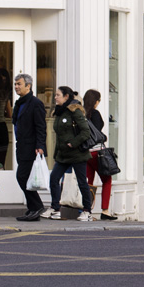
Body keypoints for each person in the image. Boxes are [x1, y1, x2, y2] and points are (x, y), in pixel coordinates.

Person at [47, 86, 94, 221]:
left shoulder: (75, 111)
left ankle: (87, 211)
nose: (55, 97)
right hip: (63, 155)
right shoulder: (59, 112)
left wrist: (73, 143)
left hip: (77, 154)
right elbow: (60, 136)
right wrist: (56, 155)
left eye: (58, 95)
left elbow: (86, 132)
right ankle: (55, 209)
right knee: (54, 178)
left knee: (81, 182)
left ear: (66, 96)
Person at [13, 73, 47, 222]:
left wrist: (40, 145)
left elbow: (41, 126)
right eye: (15, 84)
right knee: (24, 177)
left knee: (22, 176)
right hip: (21, 145)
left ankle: (37, 206)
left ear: (28, 86)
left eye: (19, 84)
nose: (16, 87)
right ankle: (33, 208)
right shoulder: (19, 103)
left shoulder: (35, 103)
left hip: (31, 146)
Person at [83, 89, 116, 221]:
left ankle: (87, 210)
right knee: (107, 180)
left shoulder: (81, 114)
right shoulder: (95, 114)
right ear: (96, 102)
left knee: (88, 182)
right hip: (97, 152)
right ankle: (105, 211)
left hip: (85, 153)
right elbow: (96, 133)